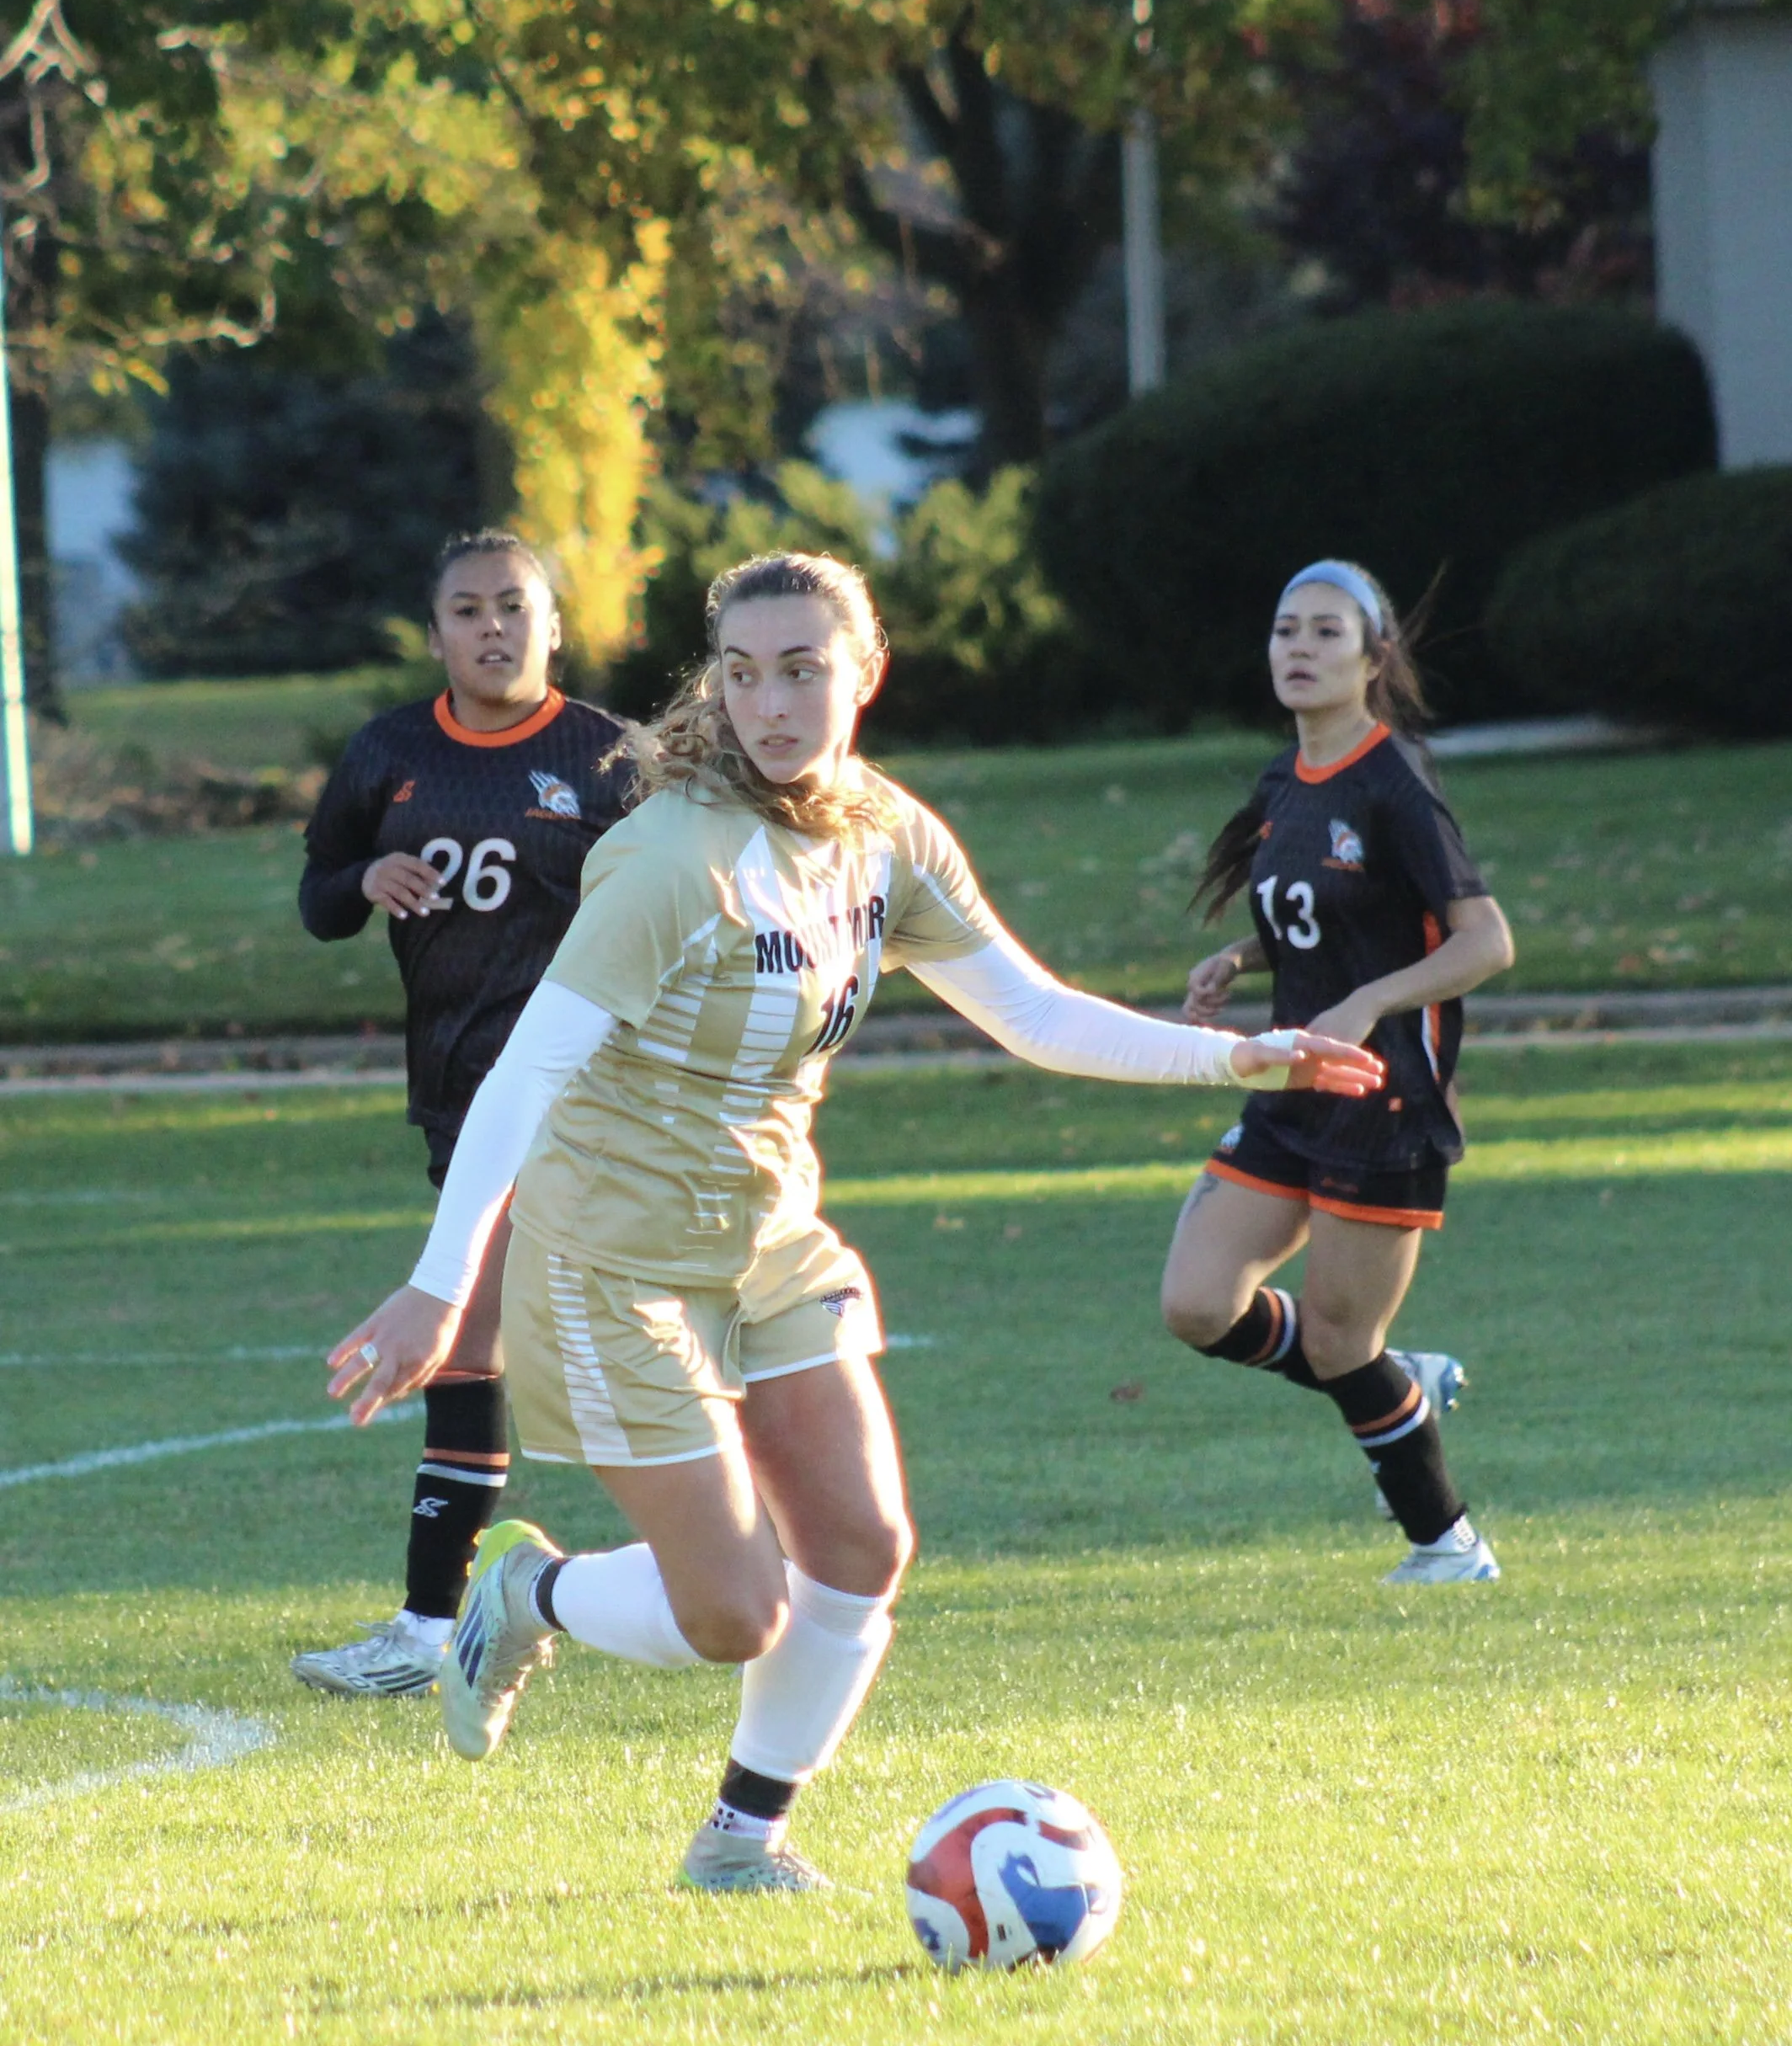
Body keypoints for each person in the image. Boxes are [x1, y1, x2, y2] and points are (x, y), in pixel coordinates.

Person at [324, 550, 1383, 1892]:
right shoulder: (672, 859)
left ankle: (742, 1842)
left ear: (867, 672)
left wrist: (1239, 1057)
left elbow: (1031, 1013)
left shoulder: (880, 832)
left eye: (803, 670)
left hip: (771, 1242)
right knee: (737, 1612)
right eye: (743, 674)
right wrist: (438, 1285)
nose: (771, 704)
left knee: (866, 1547)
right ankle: (526, 1595)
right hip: (611, 1264)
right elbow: (524, 1075)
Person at [291, 530, 635, 1696]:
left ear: (554, 626)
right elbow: (320, 898)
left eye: (514, 606)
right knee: (486, 1345)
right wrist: (363, 880)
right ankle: (458, 1620)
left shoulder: (609, 761)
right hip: (456, 1093)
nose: (493, 627)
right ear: (436, 633)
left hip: (579, 1096)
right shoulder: (389, 753)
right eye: (468, 610)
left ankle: (436, 1629)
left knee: (472, 1341)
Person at [1160, 559, 1516, 1582]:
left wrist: (1368, 1003)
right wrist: (1240, 956)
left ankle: (1447, 1546)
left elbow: (1485, 941)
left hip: (1385, 1101)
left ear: (1373, 658)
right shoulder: (1285, 780)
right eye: (1286, 630)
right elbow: (1331, 912)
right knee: (1197, 1305)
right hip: (1292, 1087)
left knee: (1336, 1343)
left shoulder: (1393, 779)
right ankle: (1395, 1384)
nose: (1299, 649)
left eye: (1325, 632)